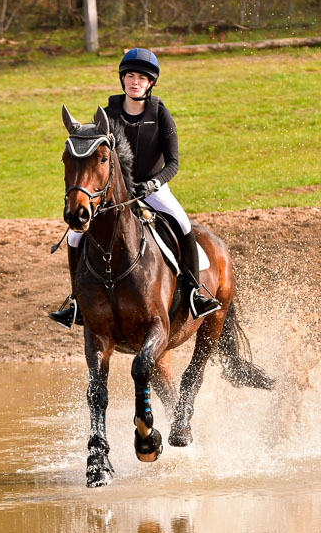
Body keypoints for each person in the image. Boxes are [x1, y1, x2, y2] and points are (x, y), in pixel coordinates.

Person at [49, 47, 221, 328]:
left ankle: (195, 293)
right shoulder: (107, 115)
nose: (135, 82)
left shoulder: (161, 114)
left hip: (153, 190)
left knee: (183, 224)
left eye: (141, 78)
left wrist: (154, 183)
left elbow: (174, 162)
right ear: (123, 80)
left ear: (150, 83)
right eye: (129, 76)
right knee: (74, 238)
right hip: (114, 194)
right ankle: (77, 301)